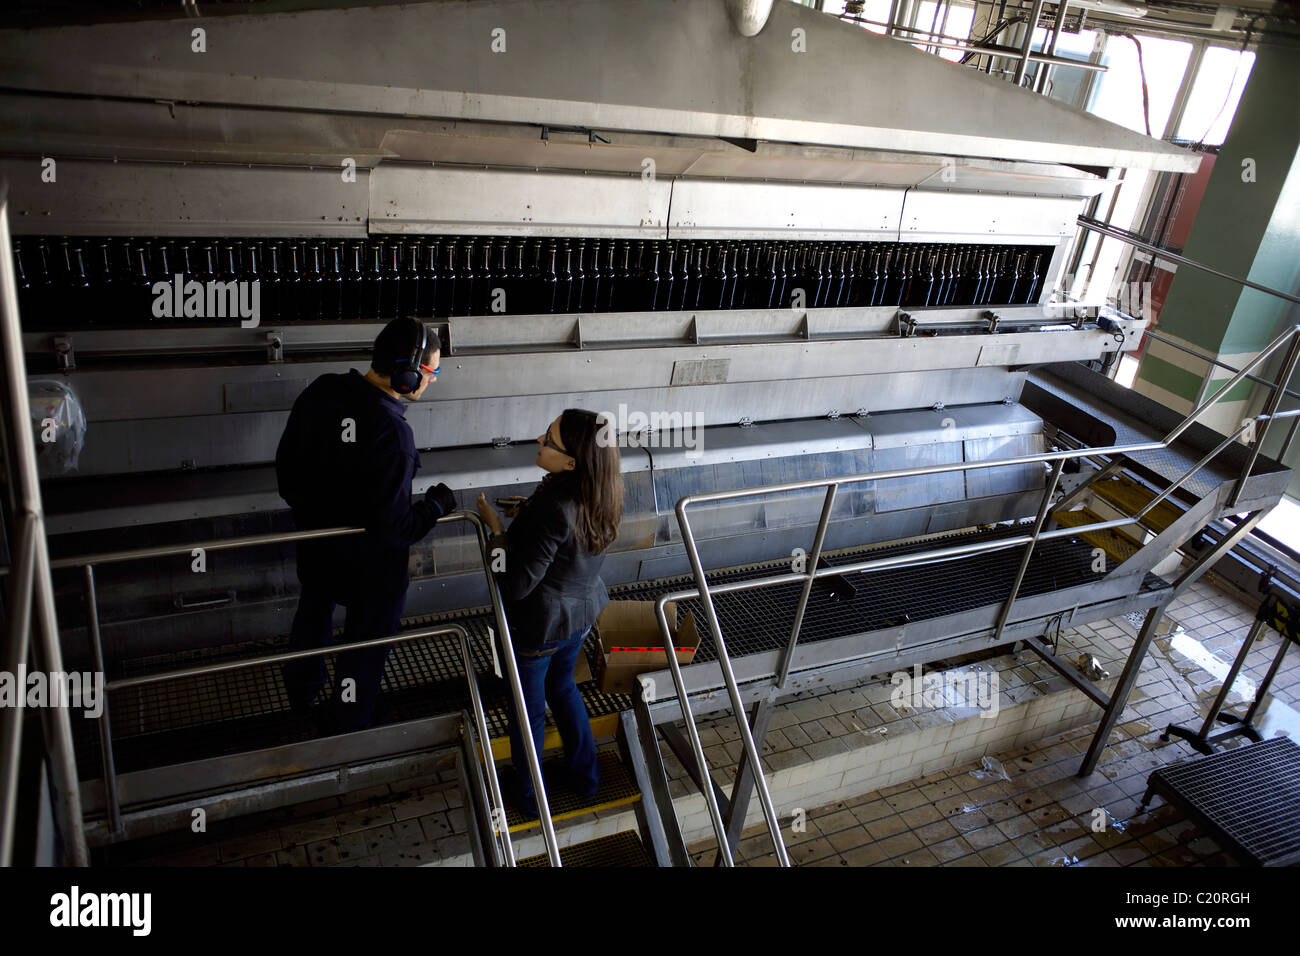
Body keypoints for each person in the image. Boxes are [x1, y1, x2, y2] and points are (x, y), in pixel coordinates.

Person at [276, 317, 457, 732]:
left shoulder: (323, 389)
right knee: (364, 650)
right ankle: (351, 719)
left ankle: (301, 695)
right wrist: (436, 505)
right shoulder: (391, 434)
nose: (431, 381)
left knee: (313, 616)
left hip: (318, 551)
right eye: (432, 373)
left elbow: (288, 475)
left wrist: (322, 515)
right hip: (373, 575)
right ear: (409, 375)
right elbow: (396, 529)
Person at [476, 409, 622, 817]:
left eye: (549, 439)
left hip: (538, 629)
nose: (540, 439)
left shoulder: (556, 504)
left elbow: (517, 582)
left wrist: (497, 532)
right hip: (579, 617)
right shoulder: (602, 489)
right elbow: (569, 540)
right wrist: (528, 516)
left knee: (529, 712)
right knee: (565, 689)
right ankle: (586, 778)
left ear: (572, 461)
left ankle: (527, 797)